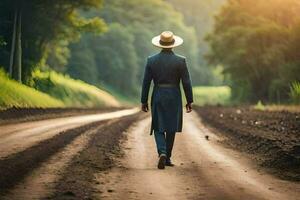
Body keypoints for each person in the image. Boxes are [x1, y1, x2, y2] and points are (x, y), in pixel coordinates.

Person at [141, 31, 193, 169]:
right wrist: (189, 100)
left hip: (158, 94)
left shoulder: (151, 60)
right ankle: (167, 157)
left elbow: (146, 82)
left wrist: (143, 100)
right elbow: (186, 82)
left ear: (160, 44)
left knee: (158, 126)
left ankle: (162, 152)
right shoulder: (181, 61)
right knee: (171, 126)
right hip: (174, 95)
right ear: (173, 44)